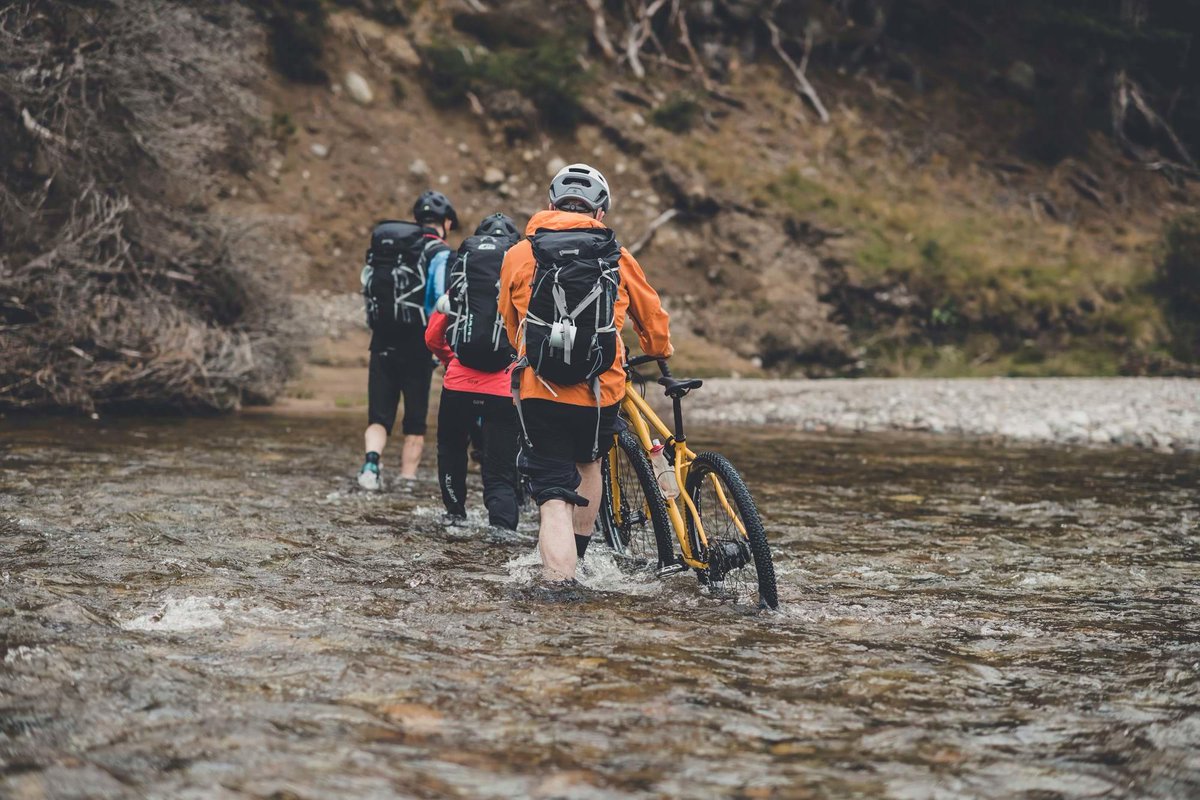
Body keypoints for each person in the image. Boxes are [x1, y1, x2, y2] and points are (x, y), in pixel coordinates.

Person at [498, 164, 672, 582]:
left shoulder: (521, 253)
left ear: (550, 205)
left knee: (553, 492)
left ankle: (560, 581)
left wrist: (524, 349)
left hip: (540, 390)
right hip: (600, 390)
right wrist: (659, 349)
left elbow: (508, 318)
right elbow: (651, 317)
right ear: (601, 212)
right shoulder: (616, 255)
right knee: (590, 463)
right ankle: (578, 557)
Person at [426, 212, 524, 530]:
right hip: (503, 390)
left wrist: (450, 359)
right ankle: (502, 533)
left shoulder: (464, 279)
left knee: (451, 449)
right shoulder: (522, 279)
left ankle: (455, 516)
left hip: (458, 383)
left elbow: (432, 337)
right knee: (499, 471)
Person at [357, 190, 457, 491]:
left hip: (382, 340)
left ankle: (371, 466)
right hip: (419, 345)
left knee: (379, 415)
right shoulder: (440, 253)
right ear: (447, 223)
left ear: (415, 219)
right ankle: (407, 481)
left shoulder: (393, 249)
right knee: (415, 422)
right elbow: (442, 301)